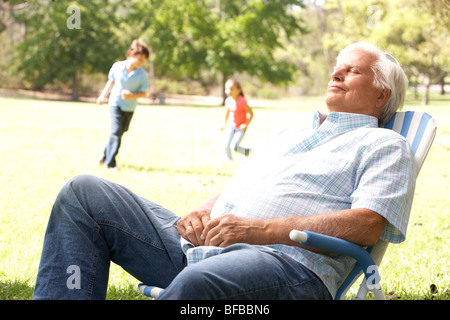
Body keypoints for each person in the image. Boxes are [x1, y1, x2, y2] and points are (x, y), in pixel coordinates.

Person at [33, 42, 416, 300]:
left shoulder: (384, 145)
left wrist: (259, 231)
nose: (336, 74)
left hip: (287, 265)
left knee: (197, 285)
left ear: (381, 95)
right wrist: (203, 210)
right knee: (84, 194)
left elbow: (368, 224)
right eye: (337, 68)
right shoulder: (292, 134)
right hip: (207, 245)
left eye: (353, 72)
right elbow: (247, 184)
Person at [96, 39, 149, 170]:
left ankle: (105, 155)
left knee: (121, 131)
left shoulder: (142, 75)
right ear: (132, 55)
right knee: (116, 131)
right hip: (115, 103)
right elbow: (111, 82)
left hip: (129, 107)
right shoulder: (118, 66)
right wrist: (103, 95)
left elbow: (143, 93)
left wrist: (132, 95)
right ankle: (111, 163)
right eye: (140, 59)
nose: (141, 63)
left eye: (144, 61)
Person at [221, 79, 254, 160]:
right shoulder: (228, 100)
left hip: (240, 128)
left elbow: (251, 114)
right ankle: (230, 161)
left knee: (234, 146)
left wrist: (246, 124)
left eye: (231, 89)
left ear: (238, 90)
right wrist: (224, 125)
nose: (228, 91)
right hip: (231, 126)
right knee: (226, 145)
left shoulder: (242, 101)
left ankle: (247, 151)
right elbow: (227, 114)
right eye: (227, 89)